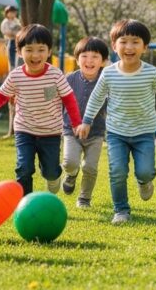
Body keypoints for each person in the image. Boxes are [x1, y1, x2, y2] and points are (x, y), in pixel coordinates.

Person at [76, 19, 156, 225]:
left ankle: (145, 181)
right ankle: (121, 210)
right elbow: (97, 98)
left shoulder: (150, 72)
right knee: (117, 171)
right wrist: (87, 121)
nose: (129, 47)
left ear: (145, 47)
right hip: (116, 133)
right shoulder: (108, 73)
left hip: (144, 132)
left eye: (135, 42)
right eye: (123, 41)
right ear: (114, 46)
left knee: (144, 170)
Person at [0, 24, 81, 195]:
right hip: (24, 129)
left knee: (50, 171)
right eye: (29, 50)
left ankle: (54, 176)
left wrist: (76, 123)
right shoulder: (16, 75)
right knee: (23, 168)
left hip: (50, 131)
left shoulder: (55, 75)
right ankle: (25, 202)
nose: (35, 55)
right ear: (19, 51)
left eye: (41, 50)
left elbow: (69, 100)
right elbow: (2, 95)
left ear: (49, 52)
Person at [60, 37, 109, 208]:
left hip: (95, 133)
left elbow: (114, 106)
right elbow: (56, 102)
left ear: (103, 61)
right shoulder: (68, 79)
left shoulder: (107, 81)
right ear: (77, 59)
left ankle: (84, 198)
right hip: (70, 131)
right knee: (69, 162)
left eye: (95, 57)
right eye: (84, 56)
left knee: (90, 167)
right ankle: (71, 175)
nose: (89, 60)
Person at [0, 5, 23, 137]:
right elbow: (9, 34)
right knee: (12, 55)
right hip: (10, 42)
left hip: (16, 41)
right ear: (7, 13)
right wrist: (15, 33)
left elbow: (19, 31)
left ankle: (12, 131)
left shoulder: (17, 21)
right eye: (10, 12)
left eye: (14, 12)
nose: (12, 14)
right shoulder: (6, 23)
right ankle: (13, 69)